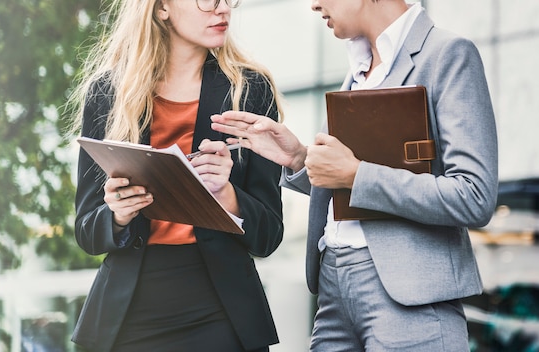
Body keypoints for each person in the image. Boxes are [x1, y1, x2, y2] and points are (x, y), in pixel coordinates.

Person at [211, 1, 498, 351]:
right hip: (333, 288)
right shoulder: (360, 69)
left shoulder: (447, 55)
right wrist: (299, 159)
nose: (314, 5)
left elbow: (474, 195)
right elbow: (347, 177)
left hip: (410, 299)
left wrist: (356, 176)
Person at [66, 0, 285, 350]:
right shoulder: (109, 93)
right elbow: (87, 231)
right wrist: (118, 215)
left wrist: (226, 194)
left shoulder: (250, 90)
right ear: (161, 8)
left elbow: (269, 235)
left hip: (222, 310)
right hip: (130, 314)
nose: (223, 8)